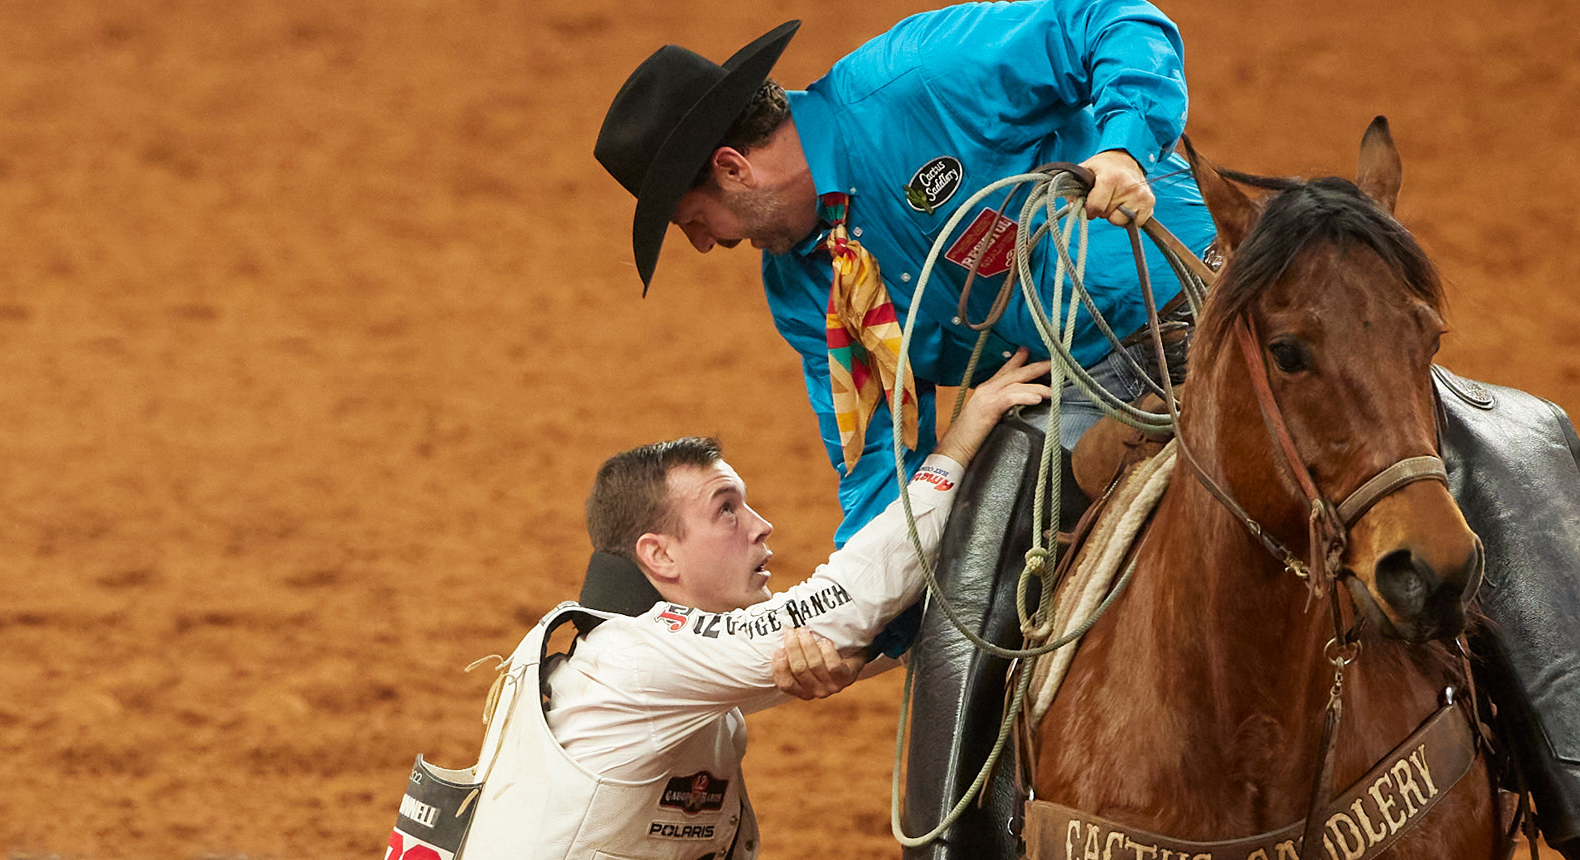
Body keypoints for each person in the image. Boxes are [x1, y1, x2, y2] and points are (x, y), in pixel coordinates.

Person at [592, 0, 1216, 549]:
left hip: (1211, 310)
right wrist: (856, 613)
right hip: (1066, 397)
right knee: (972, 575)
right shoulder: (803, 292)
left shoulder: (918, 77)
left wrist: (1124, 145)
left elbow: (1103, 17)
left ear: (732, 170)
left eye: (693, 221)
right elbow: (875, 462)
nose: (704, 245)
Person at [445, 353, 1052, 860]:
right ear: (659, 555)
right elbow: (850, 602)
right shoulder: (631, 659)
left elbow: (867, 638)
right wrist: (958, 448)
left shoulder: (640, 653)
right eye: (726, 509)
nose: (761, 526)